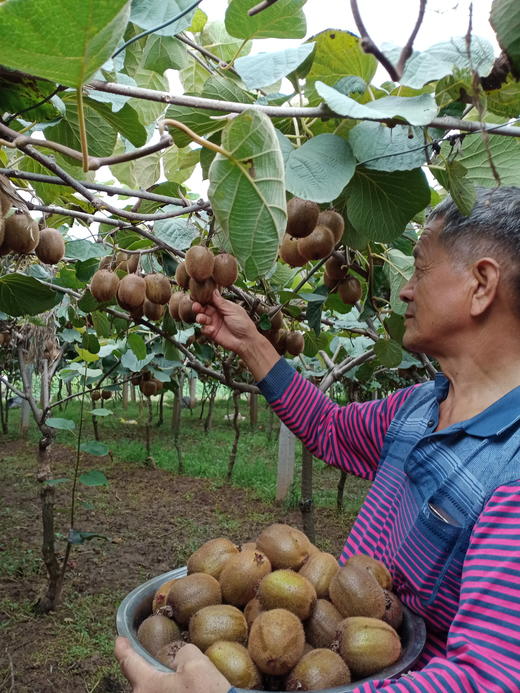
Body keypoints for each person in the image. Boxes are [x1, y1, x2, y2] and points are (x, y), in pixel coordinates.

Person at [116, 186, 520, 692]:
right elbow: (329, 428)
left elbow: (488, 680)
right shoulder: (418, 406)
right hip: (326, 657)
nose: (404, 290)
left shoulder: (513, 467)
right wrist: (252, 344)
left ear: (481, 284)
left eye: (419, 268)